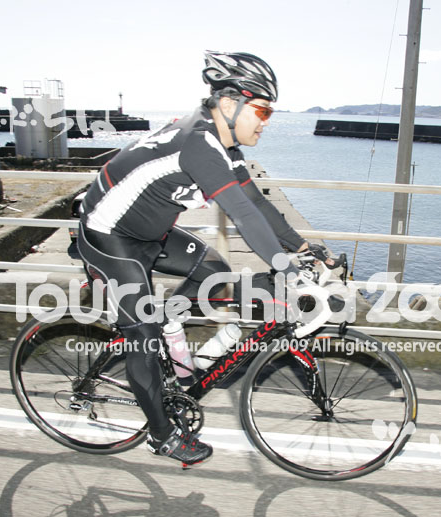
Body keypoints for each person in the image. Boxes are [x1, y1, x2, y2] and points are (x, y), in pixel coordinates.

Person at [76, 51, 327, 467]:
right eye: (262, 110)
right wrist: (285, 269)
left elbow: (255, 203)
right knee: (143, 337)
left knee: (214, 270)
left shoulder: (223, 145)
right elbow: (241, 215)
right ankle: (161, 436)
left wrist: (301, 248)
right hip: (108, 237)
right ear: (229, 104)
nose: (267, 121)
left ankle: (168, 320)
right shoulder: (199, 143)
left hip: (149, 234)